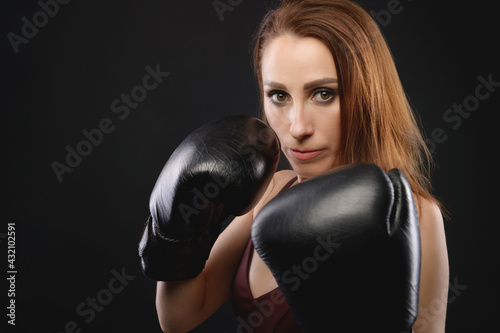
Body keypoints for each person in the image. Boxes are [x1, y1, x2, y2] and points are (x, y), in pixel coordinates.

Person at [139, 0, 449, 332]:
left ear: (367, 95)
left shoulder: (414, 214)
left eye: (324, 94)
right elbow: (179, 317)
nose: (298, 127)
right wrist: (176, 233)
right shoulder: (270, 191)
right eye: (279, 96)